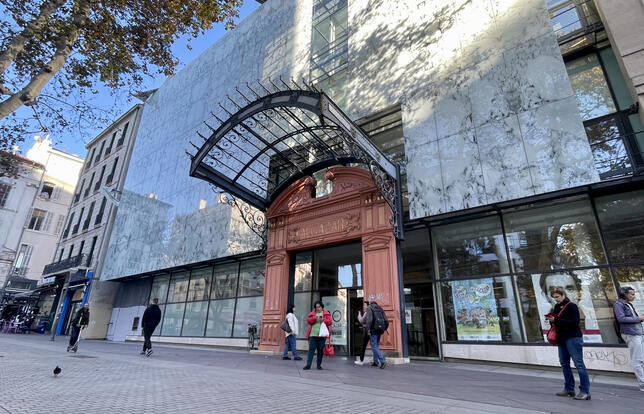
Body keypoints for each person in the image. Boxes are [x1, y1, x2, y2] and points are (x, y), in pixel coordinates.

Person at [546, 286, 590, 400]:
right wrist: (552, 321)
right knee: (564, 364)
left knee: (579, 364)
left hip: (573, 337)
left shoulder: (572, 306)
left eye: (557, 297)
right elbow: (557, 322)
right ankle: (569, 389)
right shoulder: (556, 307)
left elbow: (575, 322)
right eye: (554, 297)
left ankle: (585, 391)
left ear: (563, 295)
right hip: (561, 338)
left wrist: (556, 320)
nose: (556, 299)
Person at [613, 287, 644, 391]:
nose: (634, 296)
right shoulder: (619, 305)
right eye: (632, 294)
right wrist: (638, 318)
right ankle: (642, 384)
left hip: (638, 333)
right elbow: (621, 319)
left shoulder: (628, 304)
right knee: (637, 360)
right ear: (625, 294)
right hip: (631, 334)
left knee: (641, 359)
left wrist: (639, 318)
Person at [303, 300, 331, 370]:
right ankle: (308, 365)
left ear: (322, 307)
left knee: (320, 351)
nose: (318, 308)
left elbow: (330, 322)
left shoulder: (326, 313)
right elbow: (309, 321)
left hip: (322, 335)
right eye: (316, 307)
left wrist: (323, 320)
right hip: (313, 335)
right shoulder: (313, 313)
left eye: (319, 307)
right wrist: (314, 318)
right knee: (311, 350)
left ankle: (319, 365)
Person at [364, 300, 388, 369]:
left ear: (370, 303)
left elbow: (369, 320)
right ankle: (375, 361)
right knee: (376, 345)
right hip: (380, 330)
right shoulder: (380, 308)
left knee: (374, 345)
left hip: (373, 330)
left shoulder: (370, 308)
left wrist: (367, 329)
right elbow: (386, 320)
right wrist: (384, 328)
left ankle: (382, 360)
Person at [354, 301, 370, 365]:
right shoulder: (371, 312)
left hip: (366, 330)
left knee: (363, 346)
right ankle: (376, 361)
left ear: (368, 306)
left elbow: (361, 321)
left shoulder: (366, 313)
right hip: (371, 331)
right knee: (374, 346)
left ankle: (361, 360)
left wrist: (359, 314)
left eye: (364, 305)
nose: (363, 307)